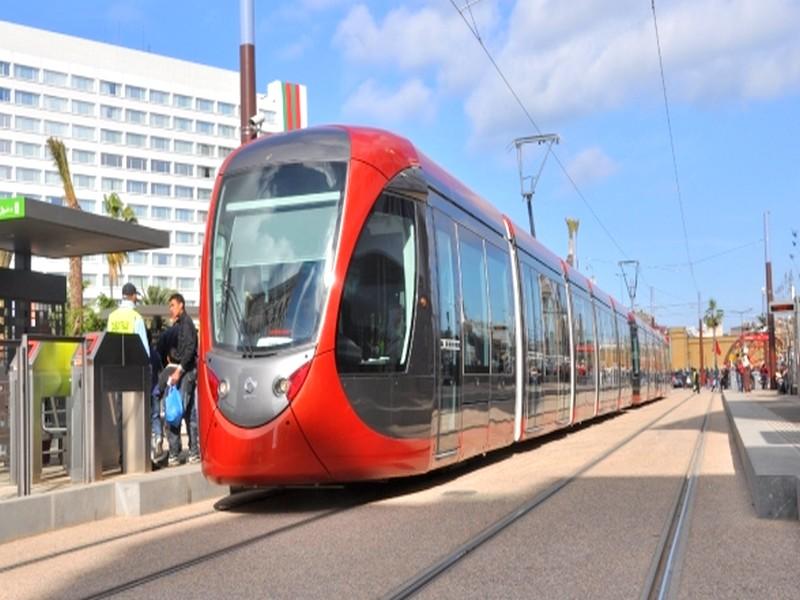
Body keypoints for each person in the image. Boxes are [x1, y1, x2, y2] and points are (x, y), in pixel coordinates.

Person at [164, 293, 199, 466]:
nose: (170, 309)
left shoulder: (186, 324)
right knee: (189, 412)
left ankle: (175, 453)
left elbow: (190, 349)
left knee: (176, 410)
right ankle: (193, 451)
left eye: (172, 305)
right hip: (186, 371)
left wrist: (179, 369)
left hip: (185, 372)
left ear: (181, 305)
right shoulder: (180, 324)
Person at [106, 283, 149, 358]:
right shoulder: (136, 317)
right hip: (131, 362)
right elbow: (144, 348)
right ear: (134, 296)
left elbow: (107, 343)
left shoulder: (111, 316)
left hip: (114, 362)